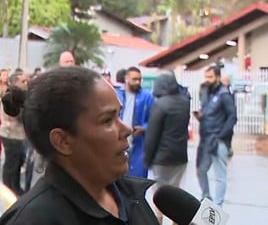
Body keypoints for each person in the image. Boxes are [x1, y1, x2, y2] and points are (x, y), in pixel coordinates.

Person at [0, 67, 159, 224]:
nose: (127, 130)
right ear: (63, 141)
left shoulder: (130, 196)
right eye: (107, 120)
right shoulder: (34, 219)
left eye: (119, 115)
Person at [144, 72, 190, 224]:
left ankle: (157, 221)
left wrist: (147, 158)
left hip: (162, 158)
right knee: (176, 191)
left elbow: (152, 134)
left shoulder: (160, 104)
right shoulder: (185, 102)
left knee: (159, 194)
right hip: (181, 156)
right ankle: (176, 221)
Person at [195, 65, 237, 207]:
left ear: (218, 77)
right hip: (206, 138)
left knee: (220, 175)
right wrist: (201, 116)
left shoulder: (224, 95)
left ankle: (218, 206)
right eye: (206, 77)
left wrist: (222, 135)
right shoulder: (207, 93)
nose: (207, 80)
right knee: (201, 170)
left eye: (210, 77)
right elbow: (207, 111)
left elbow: (232, 116)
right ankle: (206, 198)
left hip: (218, 140)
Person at [116, 66, 154, 178]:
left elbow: (153, 119)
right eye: (134, 79)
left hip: (138, 145)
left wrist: (144, 128)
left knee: (137, 179)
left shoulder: (147, 96)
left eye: (139, 79)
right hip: (118, 144)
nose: (137, 82)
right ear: (126, 79)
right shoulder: (117, 95)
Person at [0, 72, 28, 196]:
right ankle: (7, 191)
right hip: (10, 136)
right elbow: (16, 115)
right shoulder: (10, 96)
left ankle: (15, 188)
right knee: (11, 165)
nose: (26, 84)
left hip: (18, 136)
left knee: (17, 164)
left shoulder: (20, 96)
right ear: (15, 82)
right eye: (23, 81)